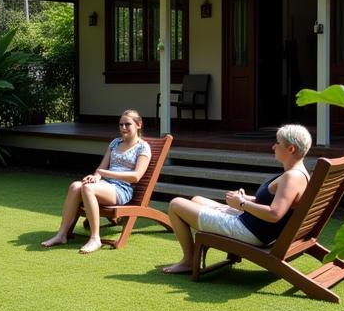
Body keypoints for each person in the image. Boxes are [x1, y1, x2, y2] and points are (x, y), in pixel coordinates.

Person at [162, 123, 312, 275]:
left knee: (176, 204)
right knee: (197, 200)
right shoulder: (300, 173)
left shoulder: (291, 177)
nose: (273, 146)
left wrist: (241, 203)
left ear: (291, 148)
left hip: (249, 231)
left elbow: (274, 214)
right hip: (254, 225)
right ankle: (194, 253)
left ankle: (188, 260)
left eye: (277, 143)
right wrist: (245, 198)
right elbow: (276, 203)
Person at [41, 109, 152, 254]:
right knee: (75, 186)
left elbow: (136, 176)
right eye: (121, 125)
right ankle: (62, 234)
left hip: (122, 190)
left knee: (88, 189)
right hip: (105, 185)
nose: (123, 128)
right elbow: (100, 168)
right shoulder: (115, 143)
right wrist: (95, 177)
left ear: (138, 125)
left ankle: (95, 238)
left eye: (127, 124)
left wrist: (102, 174)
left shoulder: (143, 147)